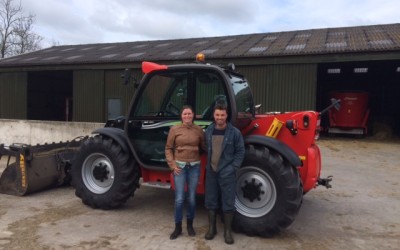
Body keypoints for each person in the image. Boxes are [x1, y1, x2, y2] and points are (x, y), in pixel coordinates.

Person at [204, 104, 245, 245]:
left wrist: (233, 167)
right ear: (214, 116)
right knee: (210, 200)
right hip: (211, 172)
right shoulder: (209, 131)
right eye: (217, 115)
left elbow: (240, 152)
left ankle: (228, 231)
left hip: (227, 172)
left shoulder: (234, 133)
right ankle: (212, 228)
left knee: (228, 202)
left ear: (226, 116)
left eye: (222, 115)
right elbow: (205, 147)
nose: (219, 118)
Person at [165, 105, 206, 240]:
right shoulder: (174, 129)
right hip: (180, 168)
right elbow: (169, 148)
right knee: (179, 199)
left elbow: (204, 146)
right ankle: (178, 227)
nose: (187, 116)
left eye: (189, 114)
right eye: (185, 114)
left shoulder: (199, 130)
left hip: (194, 167)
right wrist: (173, 165)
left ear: (193, 115)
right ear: (181, 116)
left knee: (192, 198)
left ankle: (190, 225)